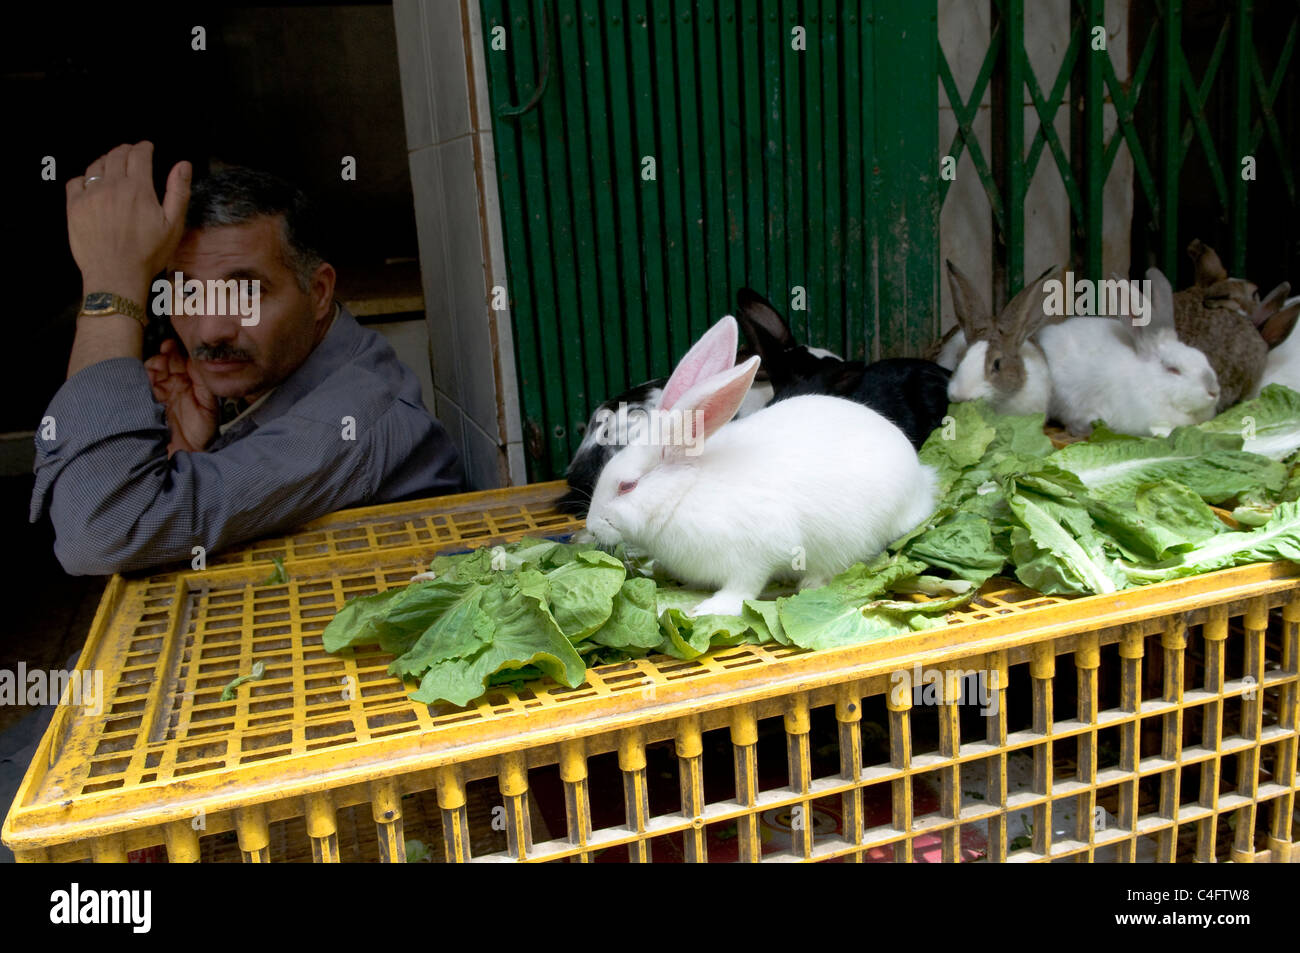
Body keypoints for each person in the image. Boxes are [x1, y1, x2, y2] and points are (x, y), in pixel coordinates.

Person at [31, 141, 462, 575]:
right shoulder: (285, 378)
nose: (212, 328)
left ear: (318, 292)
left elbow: (100, 534)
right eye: (187, 292)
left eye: (245, 291)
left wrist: (112, 291)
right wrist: (190, 454)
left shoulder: (349, 423)